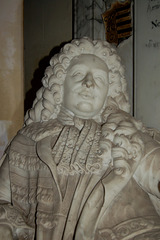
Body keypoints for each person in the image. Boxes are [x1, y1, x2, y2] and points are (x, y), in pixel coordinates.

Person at [0, 37, 159, 240]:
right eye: (78, 74)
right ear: (60, 85)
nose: (89, 83)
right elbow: (3, 201)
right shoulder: (27, 142)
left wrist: (133, 135)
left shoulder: (126, 134)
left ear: (108, 93)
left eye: (100, 79)